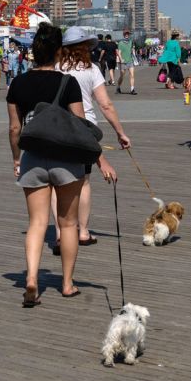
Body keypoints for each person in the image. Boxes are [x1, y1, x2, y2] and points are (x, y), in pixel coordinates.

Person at [7, 23, 113, 307]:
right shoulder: (68, 83)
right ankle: (67, 285)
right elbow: (81, 125)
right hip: (66, 160)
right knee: (67, 225)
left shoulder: (17, 83)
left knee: (37, 223)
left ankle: (31, 279)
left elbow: (15, 129)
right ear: (58, 51)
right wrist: (100, 158)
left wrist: (17, 159)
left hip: (32, 158)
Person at [54, 28, 129, 253]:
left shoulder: (55, 68)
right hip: (85, 129)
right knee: (83, 181)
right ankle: (83, 232)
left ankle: (59, 234)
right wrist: (120, 132)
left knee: (58, 183)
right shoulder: (92, 69)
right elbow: (105, 104)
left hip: (59, 129)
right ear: (85, 47)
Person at [115, 30, 137, 94]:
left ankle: (132, 89)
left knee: (132, 75)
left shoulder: (131, 42)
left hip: (130, 61)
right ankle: (118, 87)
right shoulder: (121, 43)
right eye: (126, 34)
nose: (127, 35)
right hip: (123, 62)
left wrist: (134, 56)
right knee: (122, 76)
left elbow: (132, 50)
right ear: (124, 35)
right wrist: (121, 59)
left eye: (128, 34)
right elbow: (119, 52)